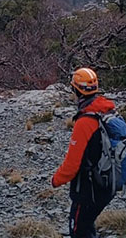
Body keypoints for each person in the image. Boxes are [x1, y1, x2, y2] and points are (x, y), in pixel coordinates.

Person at [51, 68, 118, 238]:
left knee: (78, 230)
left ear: (76, 90)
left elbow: (72, 165)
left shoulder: (85, 121)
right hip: (108, 182)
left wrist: (56, 180)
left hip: (89, 189)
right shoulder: (107, 110)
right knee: (87, 225)